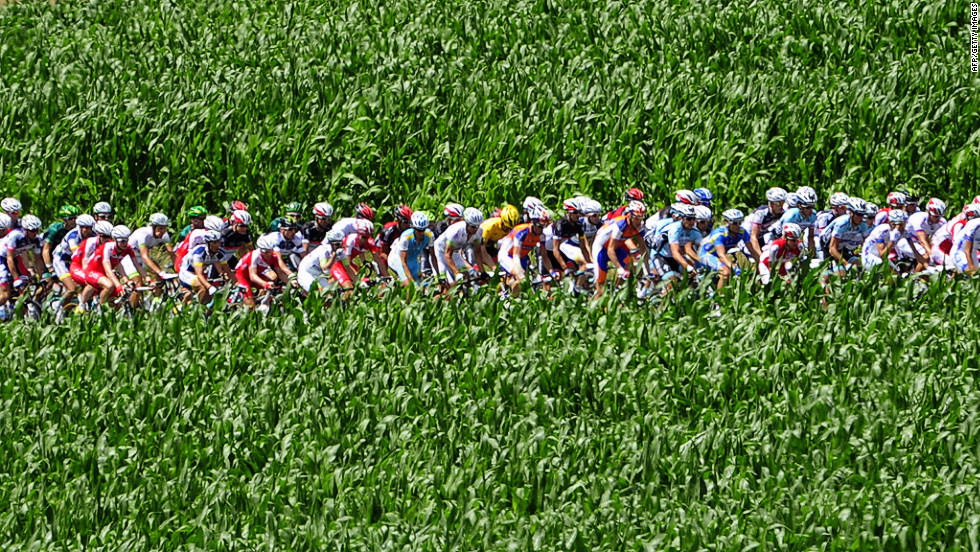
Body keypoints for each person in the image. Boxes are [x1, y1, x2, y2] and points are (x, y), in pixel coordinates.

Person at [77, 225, 150, 311]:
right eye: (122, 241)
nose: (125, 244)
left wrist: (148, 279)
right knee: (110, 285)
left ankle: (101, 305)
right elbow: (108, 271)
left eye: (127, 240)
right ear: (115, 240)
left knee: (118, 298)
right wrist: (119, 285)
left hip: (103, 273)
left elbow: (136, 266)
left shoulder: (128, 248)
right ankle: (99, 309)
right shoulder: (107, 248)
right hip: (92, 271)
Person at [592, 201, 647, 299]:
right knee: (601, 287)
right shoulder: (621, 224)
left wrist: (647, 270)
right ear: (629, 215)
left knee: (630, 263)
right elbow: (610, 250)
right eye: (636, 218)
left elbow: (643, 248)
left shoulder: (640, 225)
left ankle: (616, 288)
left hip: (617, 246)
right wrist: (620, 269)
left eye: (641, 218)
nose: (639, 221)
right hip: (601, 248)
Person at [499, 207, 552, 295]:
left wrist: (552, 273)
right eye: (540, 226)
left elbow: (544, 257)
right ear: (533, 223)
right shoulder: (522, 231)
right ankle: (511, 300)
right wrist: (520, 273)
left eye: (544, 226)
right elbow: (515, 256)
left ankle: (511, 291)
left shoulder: (541, 235)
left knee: (525, 281)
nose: (542, 230)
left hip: (521, 257)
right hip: (507, 256)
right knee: (520, 278)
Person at [234, 234, 295, 308]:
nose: (268, 254)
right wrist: (265, 284)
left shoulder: (274, 256)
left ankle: (263, 299)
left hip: (258, 273)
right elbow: (252, 276)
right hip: (242, 276)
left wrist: (290, 283)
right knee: (251, 306)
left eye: (270, 251)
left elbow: (280, 275)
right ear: (260, 250)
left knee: (273, 278)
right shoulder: (254, 256)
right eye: (266, 252)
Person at [433, 208, 493, 284]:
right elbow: (447, 255)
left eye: (478, 226)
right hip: (441, 252)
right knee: (448, 284)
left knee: (467, 278)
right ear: (467, 224)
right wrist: (456, 273)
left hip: (455, 252)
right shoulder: (455, 231)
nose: (476, 229)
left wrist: (482, 272)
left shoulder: (479, 231)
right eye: (473, 227)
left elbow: (477, 252)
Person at [0, 214, 45, 315]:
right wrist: (16, 279)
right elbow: (9, 258)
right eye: (32, 231)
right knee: (5, 294)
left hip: (14, 258)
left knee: (24, 289)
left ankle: (22, 317)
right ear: (25, 230)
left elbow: (37, 260)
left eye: (37, 230)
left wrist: (41, 277)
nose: (35, 233)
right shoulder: (16, 236)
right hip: (2, 258)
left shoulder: (37, 239)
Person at [650, 205, 702, 287]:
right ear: (682, 219)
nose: (692, 221)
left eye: (693, 218)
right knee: (672, 282)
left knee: (692, 276)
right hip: (661, 256)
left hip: (672, 257)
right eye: (688, 219)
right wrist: (688, 267)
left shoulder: (693, 230)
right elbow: (675, 253)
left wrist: (703, 261)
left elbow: (689, 250)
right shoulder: (675, 229)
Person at [178, 230, 233, 304]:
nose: (218, 245)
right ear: (208, 243)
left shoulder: (219, 253)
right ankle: (186, 307)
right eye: (214, 243)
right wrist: (209, 287)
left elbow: (225, 270)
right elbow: (199, 274)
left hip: (196, 274)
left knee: (209, 294)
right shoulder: (199, 252)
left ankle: (201, 308)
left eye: (219, 242)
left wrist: (234, 283)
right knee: (203, 287)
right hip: (186, 272)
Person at [699, 209, 749, 290]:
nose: (738, 226)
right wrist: (734, 268)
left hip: (717, 256)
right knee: (725, 272)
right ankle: (719, 300)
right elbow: (721, 255)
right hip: (706, 254)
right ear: (727, 223)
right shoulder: (720, 234)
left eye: (740, 222)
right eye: (735, 223)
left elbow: (753, 250)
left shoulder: (742, 232)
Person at [52, 214, 96, 305]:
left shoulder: (93, 235)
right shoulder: (73, 236)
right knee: (72, 288)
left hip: (73, 261)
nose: (89, 231)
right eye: (86, 228)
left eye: (90, 228)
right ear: (80, 228)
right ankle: (59, 309)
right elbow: (77, 255)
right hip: (61, 260)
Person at [825, 198, 870, 276]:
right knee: (839, 273)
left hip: (842, 247)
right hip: (826, 246)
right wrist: (846, 264)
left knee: (858, 266)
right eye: (859, 214)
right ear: (851, 213)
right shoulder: (842, 223)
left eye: (863, 214)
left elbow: (867, 245)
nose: (861, 218)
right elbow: (832, 249)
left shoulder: (863, 224)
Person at [389, 212, 436, 286]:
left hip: (413, 260)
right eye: (418, 230)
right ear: (413, 228)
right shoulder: (406, 237)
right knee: (410, 285)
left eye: (423, 230)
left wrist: (438, 275)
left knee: (423, 285)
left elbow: (433, 256)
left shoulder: (430, 235)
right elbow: (403, 262)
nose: (421, 233)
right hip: (398, 260)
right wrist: (412, 281)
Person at [297, 230, 351, 294]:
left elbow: (348, 268)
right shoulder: (323, 250)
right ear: (330, 244)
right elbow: (325, 269)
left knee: (330, 295)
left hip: (318, 274)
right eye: (337, 244)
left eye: (341, 244)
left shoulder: (340, 252)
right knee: (318, 293)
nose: (340, 246)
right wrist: (334, 256)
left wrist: (359, 282)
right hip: (306, 272)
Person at [123, 213, 174, 281]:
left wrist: (179, 269)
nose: (162, 231)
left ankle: (157, 290)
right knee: (138, 281)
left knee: (159, 276)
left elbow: (172, 253)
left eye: (165, 228)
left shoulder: (165, 235)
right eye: (160, 228)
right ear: (153, 227)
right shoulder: (144, 233)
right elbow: (145, 257)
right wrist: (160, 272)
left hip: (139, 255)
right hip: (127, 256)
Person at [743, 187, 786, 260]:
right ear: (772, 204)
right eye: (779, 203)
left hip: (762, 232)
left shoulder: (782, 212)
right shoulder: (761, 213)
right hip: (748, 233)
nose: (782, 206)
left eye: (783, 203)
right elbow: (753, 237)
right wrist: (761, 258)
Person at [931, 202, 976, 270]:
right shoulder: (959, 225)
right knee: (959, 265)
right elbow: (957, 245)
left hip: (949, 246)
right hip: (940, 249)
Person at [41, 205, 80, 280]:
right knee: (49, 282)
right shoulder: (55, 229)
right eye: (70, 218)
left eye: (75, 218)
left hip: (63, 257)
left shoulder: (77, 230)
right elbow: (46, 250)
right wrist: (50, 268)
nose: (73, 221)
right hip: (48, 255)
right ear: (64, 219)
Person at [777, 187, 818, 255]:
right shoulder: (791, 216)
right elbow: (783, 239)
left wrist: (812, 256)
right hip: (778, 236)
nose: (811, 210)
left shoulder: (813, 215)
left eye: (812, 206)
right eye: (808, 207)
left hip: (793, 238)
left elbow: (810, 237)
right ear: (799, 205)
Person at [904, 198, 946, 262]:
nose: (938, 219)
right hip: (906, 241)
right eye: (936, 216)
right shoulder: (919, 219)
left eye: (940, 216)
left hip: (918, 242)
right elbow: (922, 241)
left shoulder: (942, 221)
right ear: (928, 212)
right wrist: (932, 255)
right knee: (927, 257)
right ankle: (916, 272)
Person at [951, 207, 980, 274]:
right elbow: (967, 251)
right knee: (971, 272)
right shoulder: (973, 225)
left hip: (973, 252)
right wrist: (971, 267)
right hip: (960, 251)